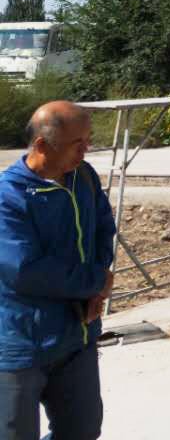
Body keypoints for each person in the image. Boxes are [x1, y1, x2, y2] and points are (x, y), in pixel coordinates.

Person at [0, 101, 115, 440]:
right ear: (41, 146)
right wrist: (94, 282)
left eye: (89, 139)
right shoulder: (9, 197)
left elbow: (102, 230)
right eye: (77, 143)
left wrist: (96, 289)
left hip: (76, 336)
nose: (86, 150)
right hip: (22, 344)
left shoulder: (84, 178)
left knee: (82, 430)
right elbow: (25, 270)